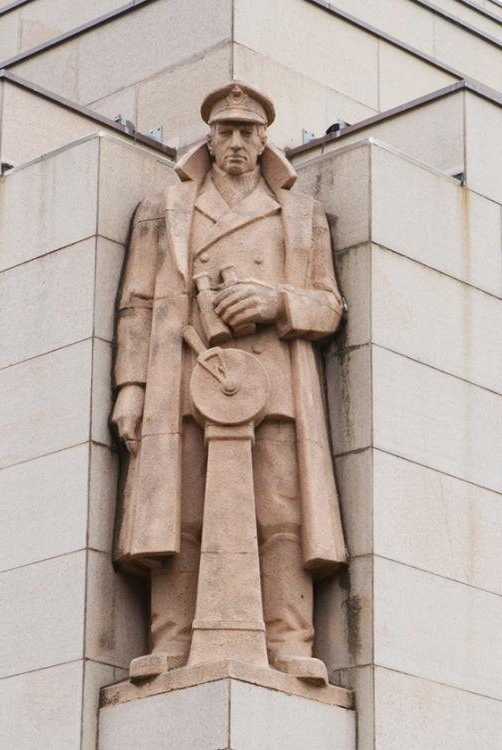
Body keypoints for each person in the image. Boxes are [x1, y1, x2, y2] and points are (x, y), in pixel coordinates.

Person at [111, 81, 347, 684]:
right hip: (186, 378)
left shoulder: (299, 214)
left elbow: (329, 306)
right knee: (179, 508)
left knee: (282, 514)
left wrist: (276, 301)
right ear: (209, 140)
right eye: (225, 130)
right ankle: (170, 640)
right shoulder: (165, 210)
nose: (236, 141)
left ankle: (291, 642)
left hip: (274, 386)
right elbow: (136, 306)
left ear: (263, 138)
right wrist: (131, 388)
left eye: (247, 130)